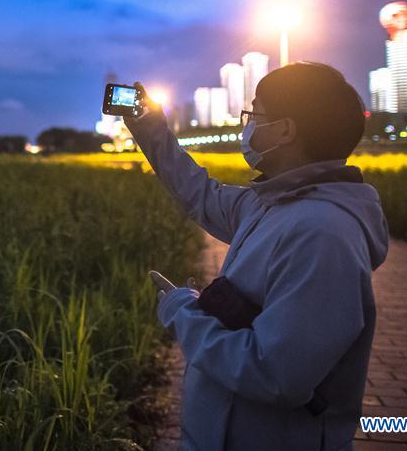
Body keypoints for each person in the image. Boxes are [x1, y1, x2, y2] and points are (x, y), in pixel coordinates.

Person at [123, 61, 389, 451]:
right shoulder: (271, 205)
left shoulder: (321, 234)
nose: (246, 125)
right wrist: (150, 128)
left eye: (254, 113)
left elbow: (276, 374)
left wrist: (183, 314)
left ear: (284, 130)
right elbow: (199, 194)